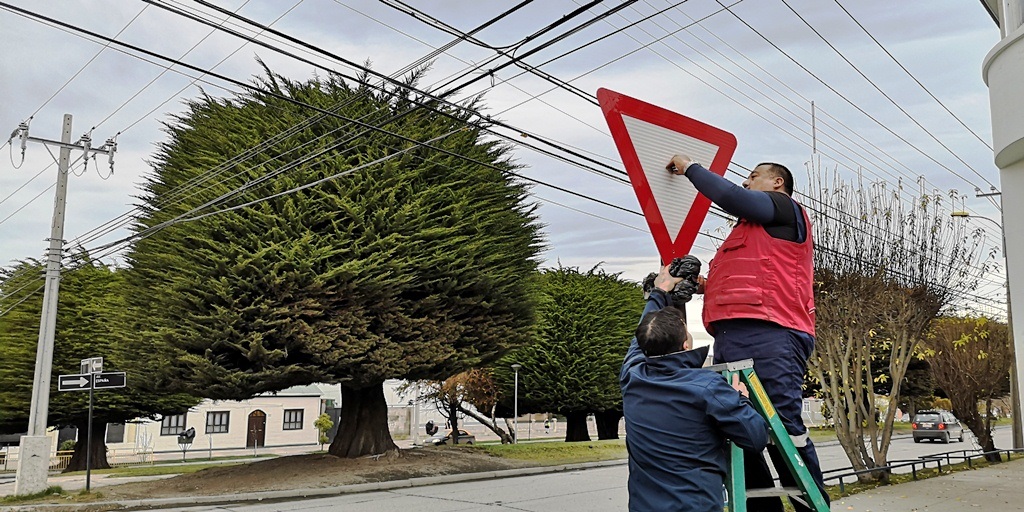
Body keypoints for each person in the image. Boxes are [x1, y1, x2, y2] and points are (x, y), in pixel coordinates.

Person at [665, 155, 827, 511]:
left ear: (777, 184)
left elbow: (731, 197)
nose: (746, 182)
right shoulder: (743, 237)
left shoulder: (785, 210)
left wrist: (690, 167)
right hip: (731, 335)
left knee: (782, 425)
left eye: (754, 177)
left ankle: (811, 507)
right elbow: (739, 281)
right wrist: (697, 284)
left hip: (773, 331)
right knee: (738, 425)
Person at [620, 264, 769, 512]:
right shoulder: (707, 387)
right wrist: (741, 399)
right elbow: (755, 438)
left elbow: (641, 340)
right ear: (686, 345)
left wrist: (660, 292)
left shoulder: (633, 377)